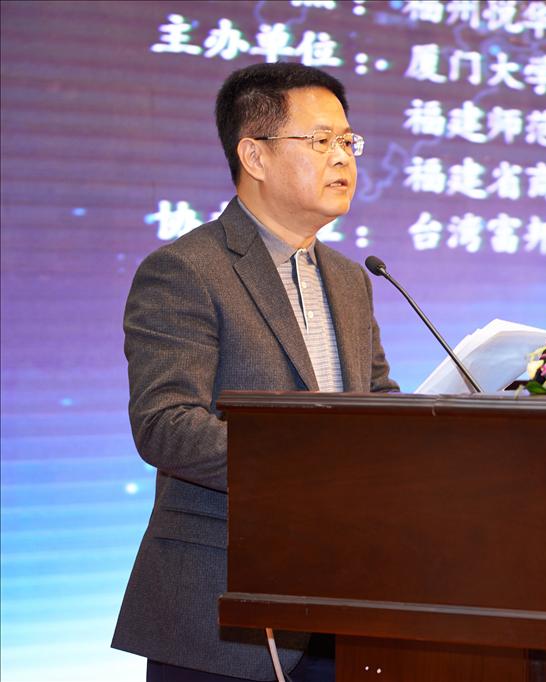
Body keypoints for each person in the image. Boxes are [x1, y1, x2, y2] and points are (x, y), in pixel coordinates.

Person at [112, 63, 398, 681]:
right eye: (320, 140)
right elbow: (166, 424)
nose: (343, 157)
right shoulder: (187, 270)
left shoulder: (352, 280)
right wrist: (308, 470)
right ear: (255, 155)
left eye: (348, 141)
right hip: (224, 612)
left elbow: (376, 402)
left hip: (346, 602)